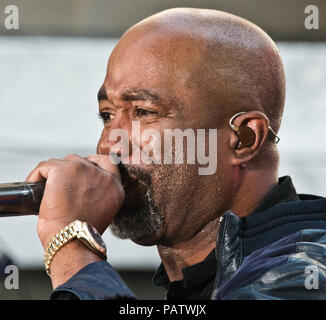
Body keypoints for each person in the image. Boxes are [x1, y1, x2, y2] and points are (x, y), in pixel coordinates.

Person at [26, 8, 326, 300]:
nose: (109, 146)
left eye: (143, 112)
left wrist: (72, 250)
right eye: (106, 115)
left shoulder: (304, 273)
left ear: (243, 138)